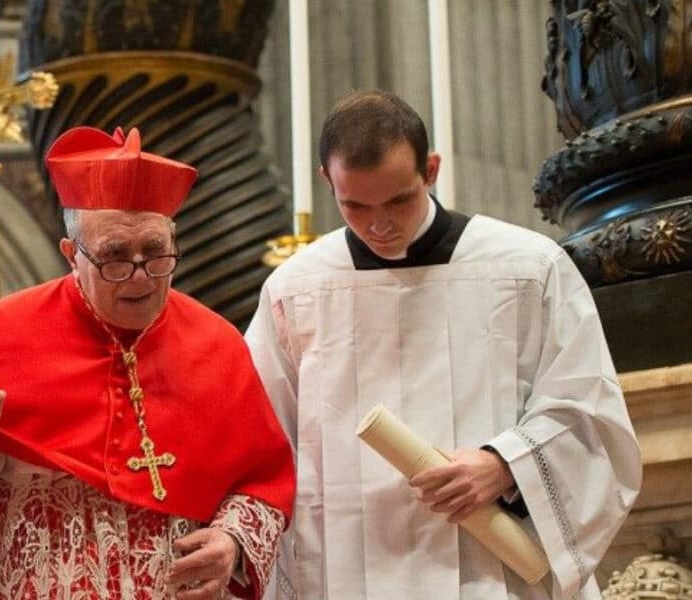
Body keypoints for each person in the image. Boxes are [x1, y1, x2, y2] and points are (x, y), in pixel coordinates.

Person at [246, 90, 641, 599]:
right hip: (345, 572)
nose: (379, 225)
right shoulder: (296, 290)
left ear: (430, 169)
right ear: (328, 181)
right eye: (355, 205)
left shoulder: (525, 268)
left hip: (491, 566)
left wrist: (505, 466)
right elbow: (262, 441)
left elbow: (590, 410)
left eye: (398, 200)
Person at [0, 126, 296, 600]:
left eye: (156, 253)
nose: (140, 276)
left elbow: (263, 482)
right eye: (115, 256)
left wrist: (231, 543)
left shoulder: (217, 344)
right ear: (72, 255)